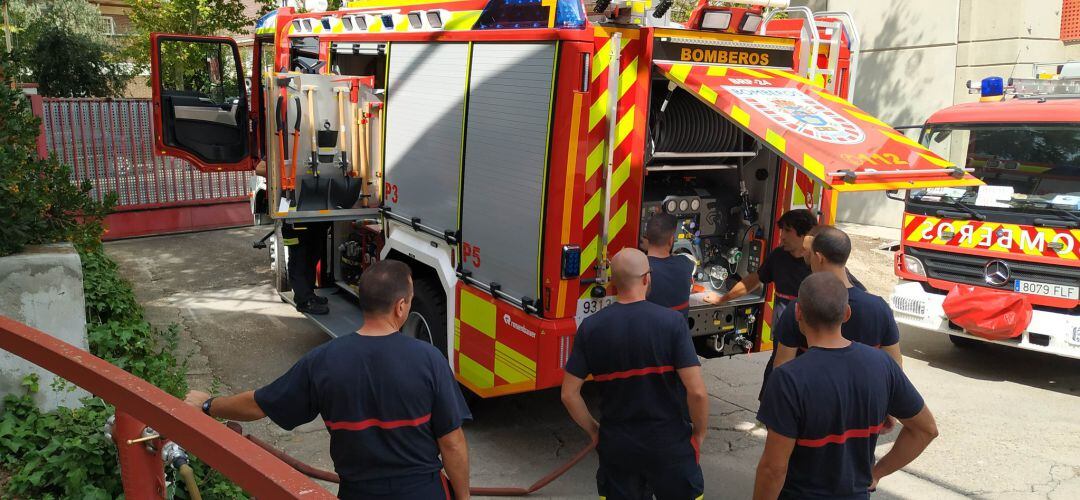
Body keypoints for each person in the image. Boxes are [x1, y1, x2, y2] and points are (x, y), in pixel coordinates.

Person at [184, 261, 472, 499]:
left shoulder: (323, 361)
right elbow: (453, 444)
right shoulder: (429, 360)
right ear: (400, 307)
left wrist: (208, 404)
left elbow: (257, 404)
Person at [754, 273, 939, 499]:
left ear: (798, 313)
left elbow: (773, 469)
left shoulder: (788, 379)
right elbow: (926, 429)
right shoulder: (882, 365)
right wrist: (877, 473)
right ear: (847, 314)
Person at [561, 248, 709, 500]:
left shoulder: (591, 328)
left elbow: (569, 394)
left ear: (613, 282)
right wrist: (699, 434)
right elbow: (696, 392)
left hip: (618, 449)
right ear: (646, 278)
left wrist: (595, 432)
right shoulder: (671, 323)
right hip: (670, 447)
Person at [708, 208, 817, 399]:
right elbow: (754, 280)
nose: (781, 236)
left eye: (787, 231)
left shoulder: (819, 263)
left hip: (810, 342)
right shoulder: (778, 256)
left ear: (804, 235)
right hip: (783, 336)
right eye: (781, 230)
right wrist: (722, 299)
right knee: (774, 382)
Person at [772, 226, 902, 370]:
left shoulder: (801, 307)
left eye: (809, 254)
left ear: (819, 258)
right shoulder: (880, 308)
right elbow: (895, 368)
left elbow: (781, 367)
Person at [643, 213, 696, 318]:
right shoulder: (686, 264)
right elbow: (674, 258)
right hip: (679, 333)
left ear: (647, 238)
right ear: (671, 240)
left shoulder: (641, 270)